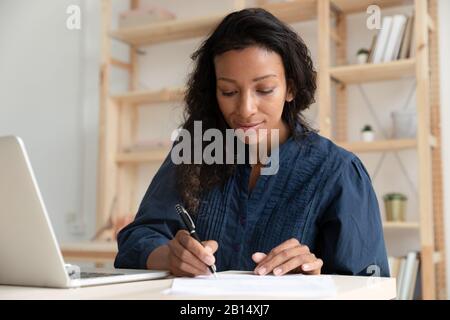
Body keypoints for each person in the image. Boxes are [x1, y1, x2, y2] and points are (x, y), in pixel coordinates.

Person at [114, 8, 389, 277]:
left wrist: (316, 278)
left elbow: (370, 286)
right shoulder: (195, 151)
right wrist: (169, 256)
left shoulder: (338, 171)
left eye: (264, 90)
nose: (245, 109)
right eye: (229, 91)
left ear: (290, 88)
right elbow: (138, 238)